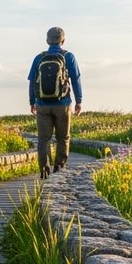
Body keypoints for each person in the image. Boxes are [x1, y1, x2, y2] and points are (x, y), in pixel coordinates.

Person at [28, 26, 82, 179]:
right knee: (63, 137)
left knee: (43, 138)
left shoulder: (39, 58)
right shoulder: (68, 56)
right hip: (62, 103)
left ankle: (44, 170)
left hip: (42, 104)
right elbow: (76, 79)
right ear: (63, 41)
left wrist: (32, 101)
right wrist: (79, 101)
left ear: (47, 40)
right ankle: (59, 167)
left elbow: (32, 81)